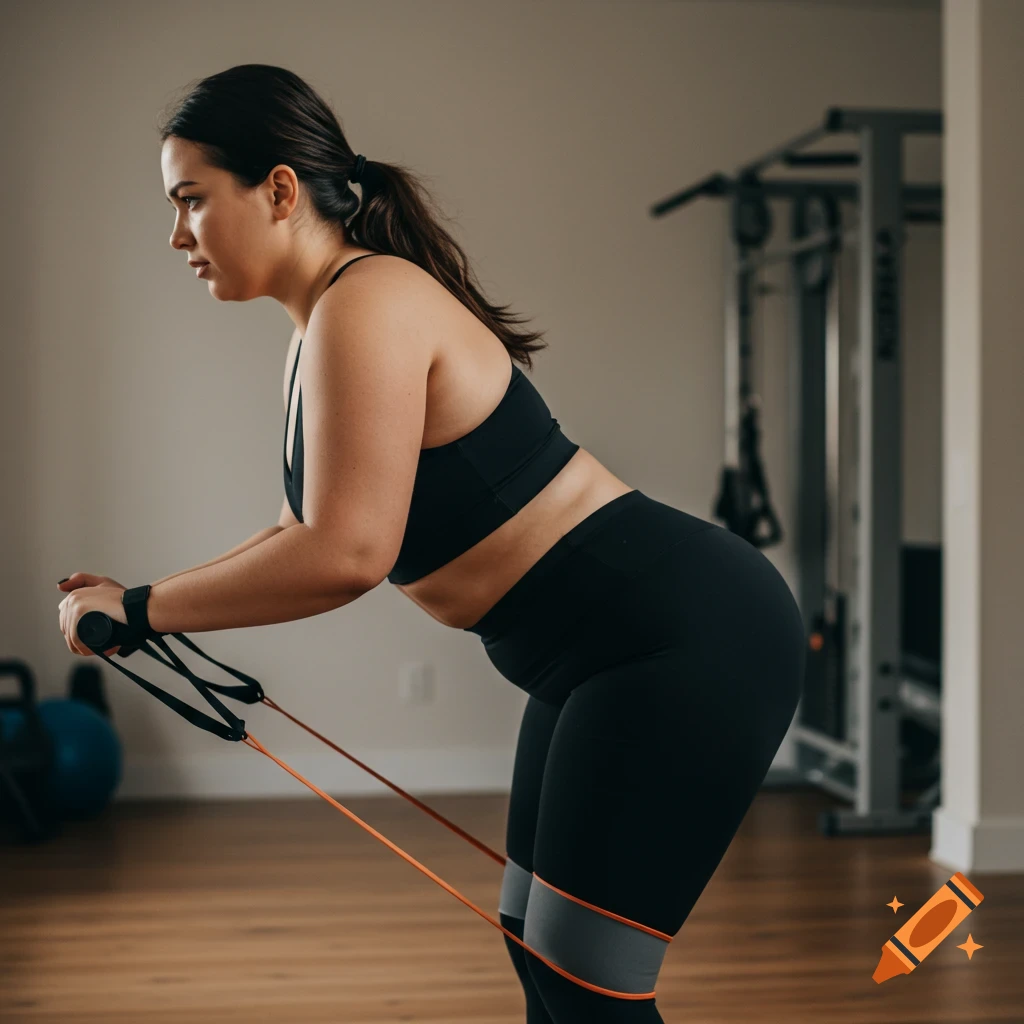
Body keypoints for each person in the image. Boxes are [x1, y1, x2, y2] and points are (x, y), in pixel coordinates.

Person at [112, 64, 809, 1023]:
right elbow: (300, 531)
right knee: (541, 957)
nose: (177, 235)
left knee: (589, 984)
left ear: (276, 189)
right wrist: (134, 600)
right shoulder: (320, 327)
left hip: (680, 638)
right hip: (595, 658)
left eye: (190, 200)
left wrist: (140, 610)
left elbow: (346, 555)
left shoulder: (369, 301)